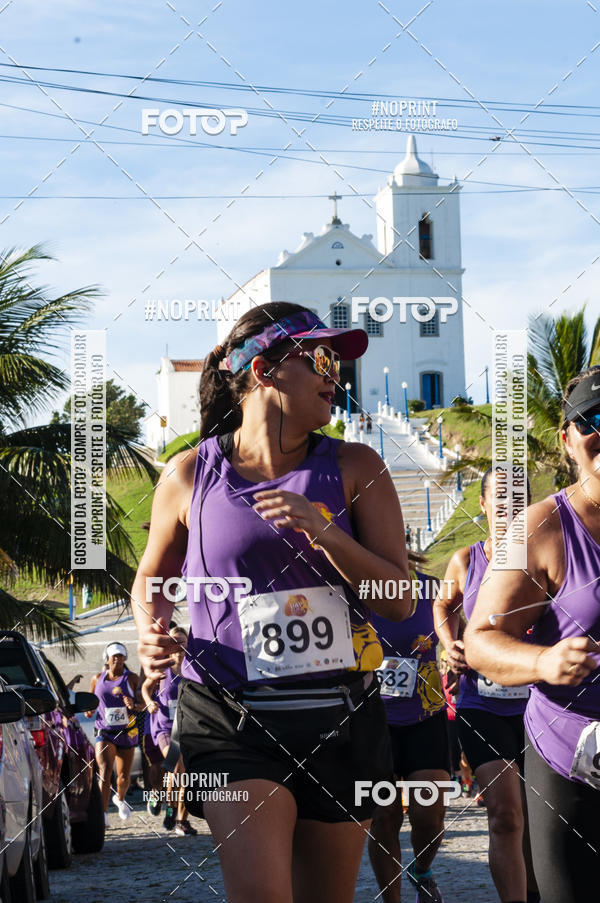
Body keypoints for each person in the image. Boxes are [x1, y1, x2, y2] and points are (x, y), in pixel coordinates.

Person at [133, 301, 412, 903]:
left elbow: (396, 601)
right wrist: (151, 630)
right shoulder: (188, 475)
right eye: (319, 359)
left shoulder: (357, 466)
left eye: (336, 362)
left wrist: (326, 531)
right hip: (228, 718)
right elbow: (153, 578)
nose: (335, 375)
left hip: (340, 715)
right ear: (263, 370)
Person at [465, 367, 600, 903]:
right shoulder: (542, 528)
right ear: (566, 439)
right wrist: (544, 662)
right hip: (574, 763)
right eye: (591, 420)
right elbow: (481, 639)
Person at [434, 470, 538, 903]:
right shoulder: (466, 560)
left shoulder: (548, 553)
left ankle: (537, 890)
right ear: (482, 505)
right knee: (506, 815)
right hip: (483, 705)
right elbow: (444, 603)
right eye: (499, 500)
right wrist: (450, 643)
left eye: (517, 501)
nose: (508, 509)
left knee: (538, 817)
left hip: (541, 707)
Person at [368, 556, 449, 903]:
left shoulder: (433, 588)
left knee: (429, 816)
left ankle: (422, 869)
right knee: (384, 816)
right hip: (373, 721)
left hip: (424, 717)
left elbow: (457, 629)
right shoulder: (353, 589)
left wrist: (455, 652)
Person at [141, 625, 197, 836]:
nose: (178, 646)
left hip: (188, 728)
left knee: (186, 775)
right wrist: (149, 702)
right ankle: (167, 804)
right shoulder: (162, 668)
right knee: (175, 767)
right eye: (174, 641)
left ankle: (179, 818)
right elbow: (145, 687)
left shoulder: (194, 668)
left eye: (182, 642)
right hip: (164, 728)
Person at [88, 642, 140, 825]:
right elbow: (91, 702)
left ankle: (120, 798)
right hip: (105, 732)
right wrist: (88, 710)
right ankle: (102, 814)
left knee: (123, 777)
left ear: (125, 658)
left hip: (127, 732)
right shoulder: (97, 678)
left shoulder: (132, 678)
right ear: (107, 659)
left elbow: (144, 704)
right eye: (114, 656)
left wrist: (134, 705)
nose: (117, 659)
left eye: (120, 656)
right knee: (104, 769)